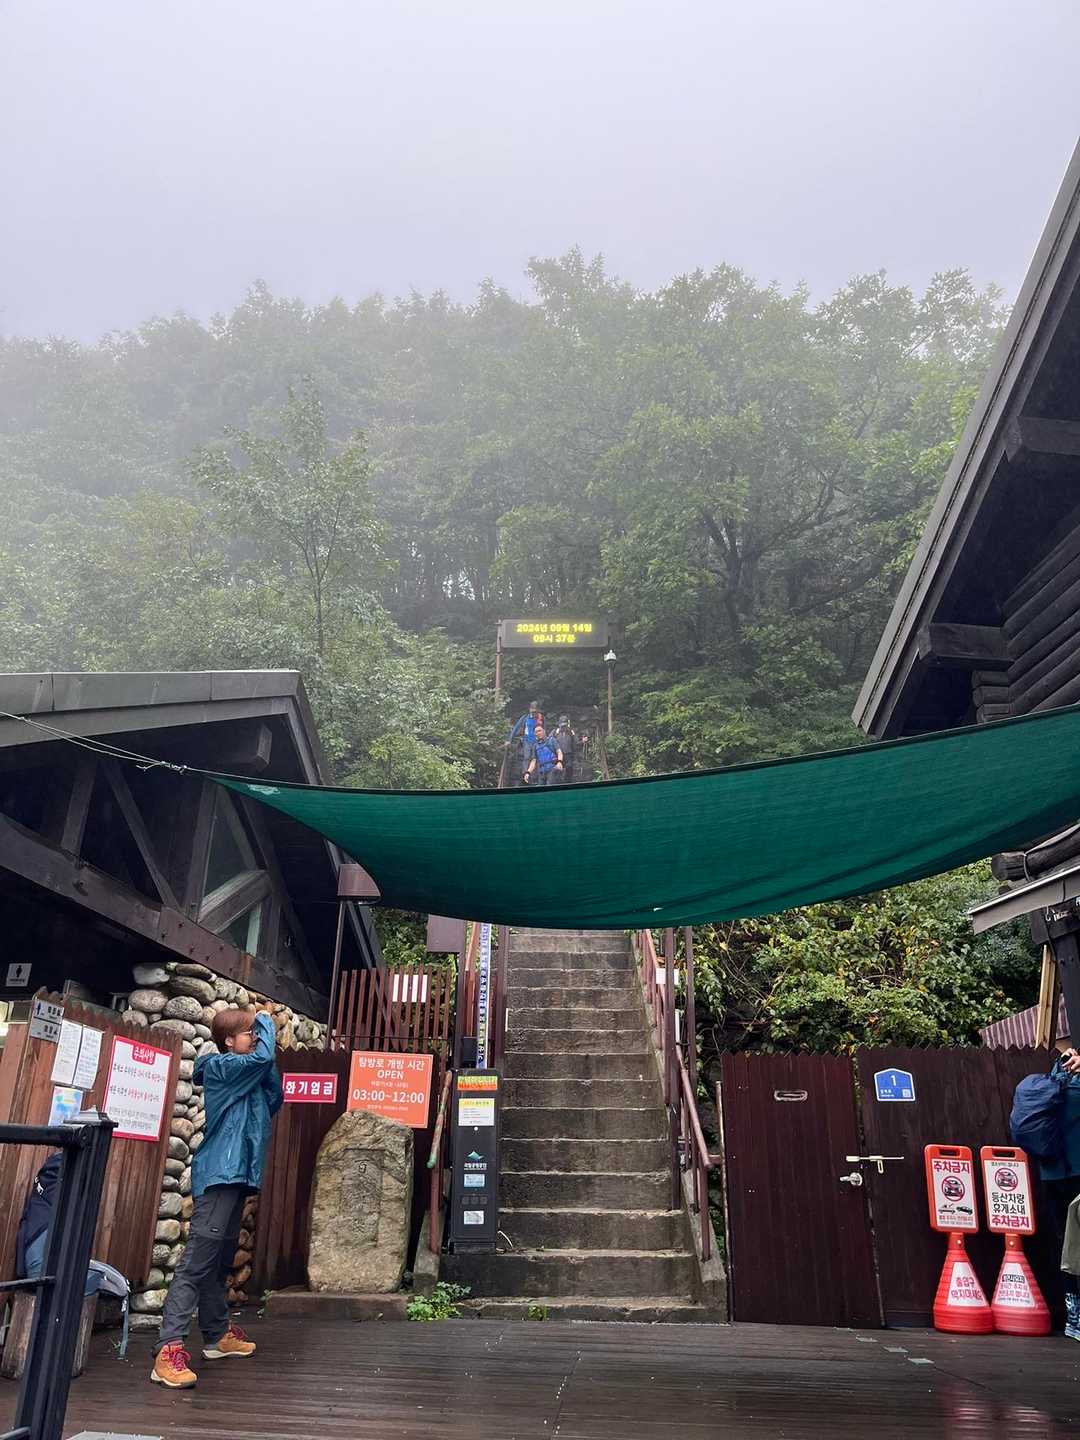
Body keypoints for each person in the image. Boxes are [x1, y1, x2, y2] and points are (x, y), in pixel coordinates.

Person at [151, 1009, 282, 1389]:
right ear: (228, 1041)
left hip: (238, 1176)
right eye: (248, 1033)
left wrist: (263, 1059)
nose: (255, 1038)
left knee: (219, 1260)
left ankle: (216, 1336)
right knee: (196, 1262)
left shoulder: (248, 1076)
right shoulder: (222, 1068)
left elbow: (275, 1095)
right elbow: (263, 1058)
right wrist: (265, 1021)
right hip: (220, 1174)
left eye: (256, 1032)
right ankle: (167, 1350)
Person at [507, 701, 544, 787]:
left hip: (537, 742)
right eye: (532, 711)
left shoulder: (541, 718)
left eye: (535, 711)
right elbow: (516, 728)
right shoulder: (525, 718)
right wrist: (509, 740)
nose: (534, 713)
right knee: (526, 757)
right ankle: (525, 776)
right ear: (530, 709)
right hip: (527, 741)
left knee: (536, 758)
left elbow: (544, 729)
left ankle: (535, 777)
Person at [553, 715, 576, 782]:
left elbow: (575, 742)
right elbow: (550, 741)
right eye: (562, 725)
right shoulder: (555, 732)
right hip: (558, 755)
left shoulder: (571, 732)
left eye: (565, 725)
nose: (563, 727)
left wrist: (582, 741)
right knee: (558, 770)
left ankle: (568, 783)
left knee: (569, 769)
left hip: (568, 754)